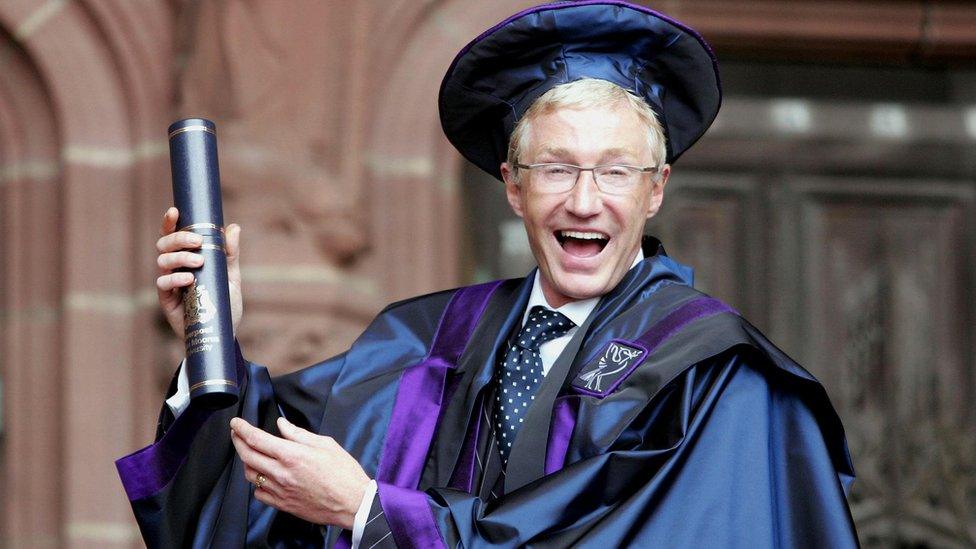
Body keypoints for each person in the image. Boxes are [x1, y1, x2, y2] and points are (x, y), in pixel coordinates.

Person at [117, 2, 858, 547]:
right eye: (555, 168)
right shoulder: (422, 340)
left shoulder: (717, 379)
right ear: (511, 185)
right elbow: (257, 490)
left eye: (615, 171)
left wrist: (374, 512)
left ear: (655, 187)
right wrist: (209, 338)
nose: (584, 199)